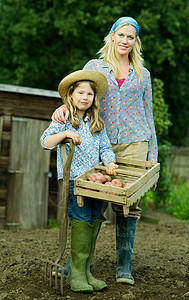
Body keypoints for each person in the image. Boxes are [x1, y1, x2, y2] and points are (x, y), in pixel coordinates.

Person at [51, 16, 158, 285]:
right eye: (120, 35)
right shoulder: (95, 67)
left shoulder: (143, 75)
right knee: (92, 198)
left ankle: (124, 266)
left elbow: (149, 115)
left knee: (129, 206)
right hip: (100, 141)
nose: (125, 40)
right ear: (112, 35)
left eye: (130, 37)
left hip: (135, 143)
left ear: (136, 42)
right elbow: (78, 96)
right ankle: (77, 264)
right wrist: (62, 109)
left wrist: (152, 155)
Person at [40, 69, 118, 293]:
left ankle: (85, 271)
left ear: (94, 99)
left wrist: (110, 163)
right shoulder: (65, 120)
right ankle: (75, 274)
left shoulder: (96, 122)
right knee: (82, 220)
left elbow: (105, 147)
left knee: (94, 218)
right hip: (75, 181)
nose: (85, 97)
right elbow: (45, 141)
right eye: (80, 93)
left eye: (89, 94)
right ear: (71, 95)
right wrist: (65, 135)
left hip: (95, 181)